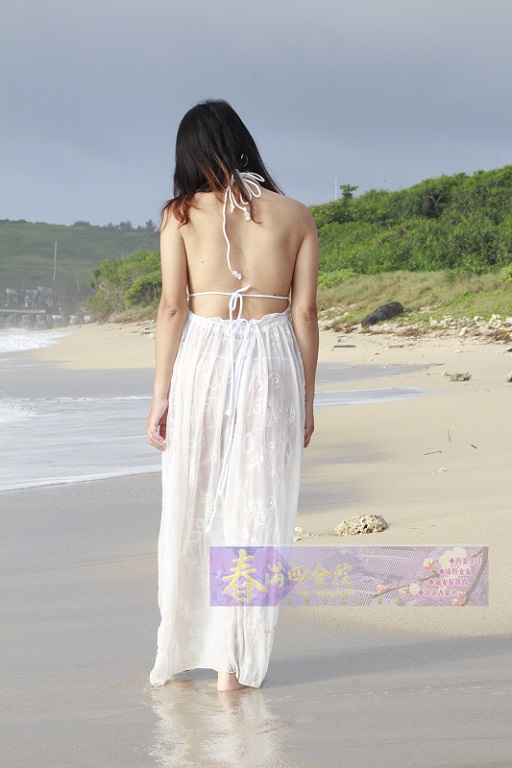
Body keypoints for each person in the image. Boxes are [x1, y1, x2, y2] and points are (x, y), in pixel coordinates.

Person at [146, 99, 319, 692]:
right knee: (256, 504)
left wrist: (161, 395)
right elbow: (305, 314)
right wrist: (307, 398)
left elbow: (173, 307)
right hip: (272, 355)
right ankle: (234, 665)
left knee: (192, 501)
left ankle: (181, 648)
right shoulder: (296, 215)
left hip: (205, 357)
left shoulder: (180, 215)